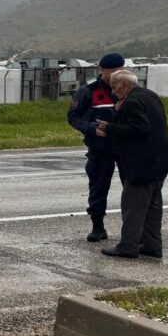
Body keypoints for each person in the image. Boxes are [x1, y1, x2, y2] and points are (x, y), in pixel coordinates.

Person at [96, 70, 168, 258]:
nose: (113, 92)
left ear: (124, 85)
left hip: (143, 164)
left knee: (133, 206)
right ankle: (152, 246)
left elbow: (139, 128)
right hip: (160, 160)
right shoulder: (149, 95)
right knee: (153, 206)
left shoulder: (131, 102)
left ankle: (128, 246)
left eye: (114, 87)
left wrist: (110, 128)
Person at [67, 53, 124, 241]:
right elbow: (73, 116)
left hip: (126, 145)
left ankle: (134, 228)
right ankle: (98, 227)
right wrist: (90, 128)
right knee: (98, 186)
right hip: (100, 146)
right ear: (102, 70)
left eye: (120, 70)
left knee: (133, 186)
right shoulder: (88, 91)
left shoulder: (128, 88)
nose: (116, 74)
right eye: (112, 71)